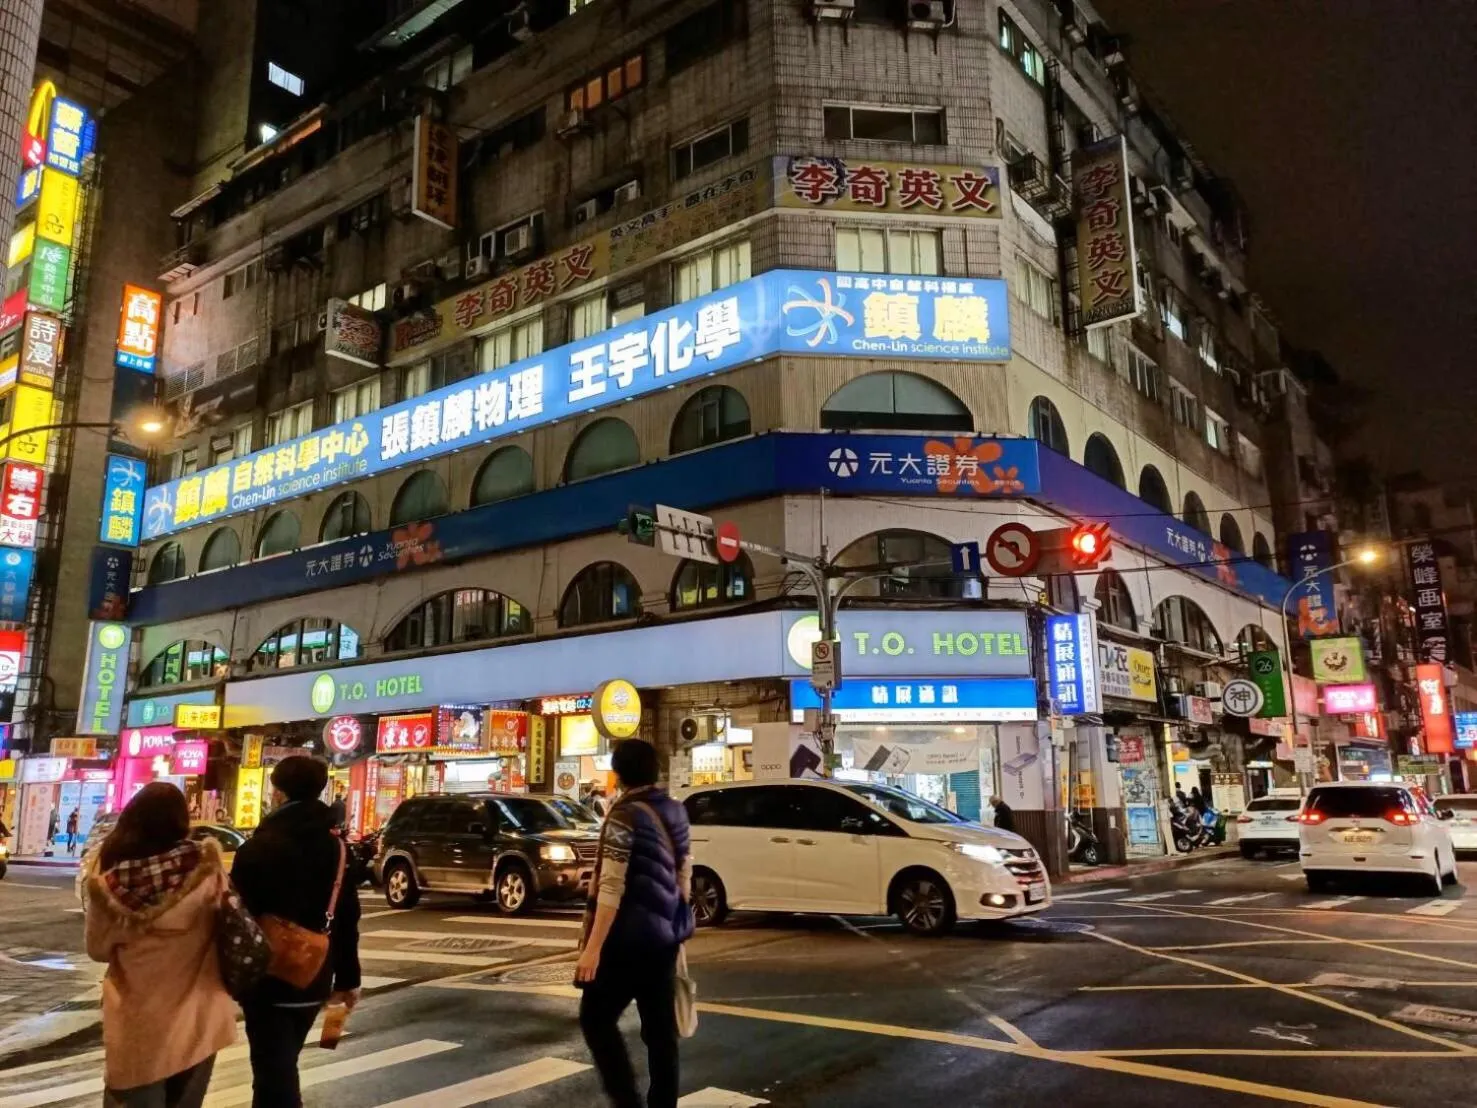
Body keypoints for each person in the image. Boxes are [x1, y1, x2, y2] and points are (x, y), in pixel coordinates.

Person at [84, 782, 236, 1107]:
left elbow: (97, 949)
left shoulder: (108, 886)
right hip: (199, 1014)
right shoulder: (208, 869)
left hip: (139, 1021)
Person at [232, 756, 361, 1108]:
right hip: (316, 971)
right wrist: (348, 980)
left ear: (277, 791)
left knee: (273, 1072)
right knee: (281, 1065)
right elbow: (348, 916)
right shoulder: (337, 847)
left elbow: (237, 913)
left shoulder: (258, 847)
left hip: (267, 972)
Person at [576, 739, 692, 1108]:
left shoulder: (624, 815)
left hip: (626, 942)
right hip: (663, 940)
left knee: (595, 1018)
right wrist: (674, 922)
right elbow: (683, 873)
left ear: (620, 773)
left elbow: (611, 885)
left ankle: (627, 1102)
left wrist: (592, 949)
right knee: (661, 1036)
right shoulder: (675, 810)